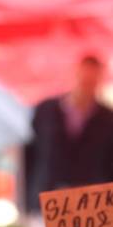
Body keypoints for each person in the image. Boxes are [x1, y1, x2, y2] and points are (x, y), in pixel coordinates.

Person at [25, 55, 113, 212]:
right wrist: (26, 202)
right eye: (84, 78)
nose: (86, 85)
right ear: (75, 75)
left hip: (90, 205)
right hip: (46, 200)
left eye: (91, 81)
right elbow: (29, 156)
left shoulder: (108, 119)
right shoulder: (45, 110)